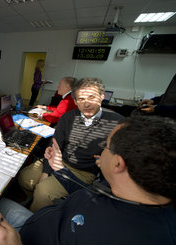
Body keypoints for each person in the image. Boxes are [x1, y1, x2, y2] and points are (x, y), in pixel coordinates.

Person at [0, 116, 176, 245]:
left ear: (118, 164)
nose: (102, 150)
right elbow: (88, 192)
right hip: (36, 225)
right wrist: (60, 170)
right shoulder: (131, 191)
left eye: (107, 146)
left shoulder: (144, 242)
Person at [18, 77, 123, 212]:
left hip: (82, 171)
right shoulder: (68, 117)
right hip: (57, 160)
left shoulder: (117, 123)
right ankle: (37, 203)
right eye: (81, 99)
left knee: (43, 191)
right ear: (75, 101)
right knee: (24, 178)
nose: (86, 104)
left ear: (102, 96)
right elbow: (54, 145)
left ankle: (37, 213)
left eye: (92, 97)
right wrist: (46, 172)